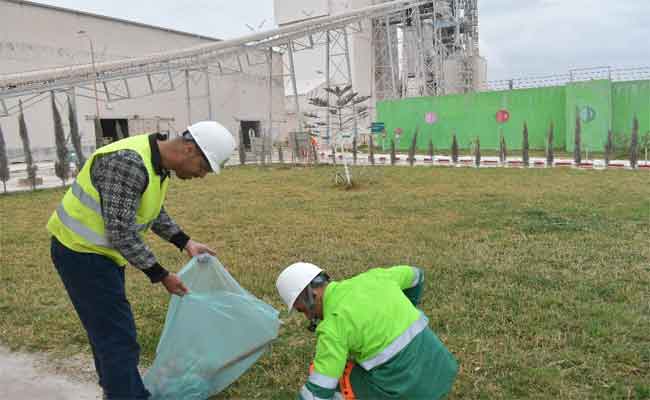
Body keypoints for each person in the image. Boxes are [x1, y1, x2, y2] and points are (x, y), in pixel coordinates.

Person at [47, 121, 236, 399]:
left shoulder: (155, 164)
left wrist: (185, 242)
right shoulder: (129, 162)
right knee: (117, 338)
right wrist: (162, 275)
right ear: (189, 149)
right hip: (81, 254)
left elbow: (150, 209)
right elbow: (121, 232)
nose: (202, 175)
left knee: (107, 333)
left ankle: (116, 391)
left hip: (97, 255)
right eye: (204, 167)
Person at [276, 262, 458, 400]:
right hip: (442, 370)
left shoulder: (333, 327)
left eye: (303, 310)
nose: (308, 317)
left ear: (311, 295)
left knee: (339, 386)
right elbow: (417, 275)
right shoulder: (375, 278)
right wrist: (410, 305)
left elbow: (318, 392)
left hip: (411, 391)